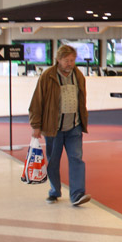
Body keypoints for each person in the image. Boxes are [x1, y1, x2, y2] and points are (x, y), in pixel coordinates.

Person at [29, 45, 91, 206]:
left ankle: (77, 194)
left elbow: (81, 99)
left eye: (72, 60)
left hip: (74, 127)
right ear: (58, 60)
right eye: (66, 60)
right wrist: (36, 125)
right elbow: (37, 101)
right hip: (53, 128)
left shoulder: (78, 75)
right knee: (54, 161)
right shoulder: (47, 76)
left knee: (76, 159)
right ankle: (54, 191)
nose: (70, 63)